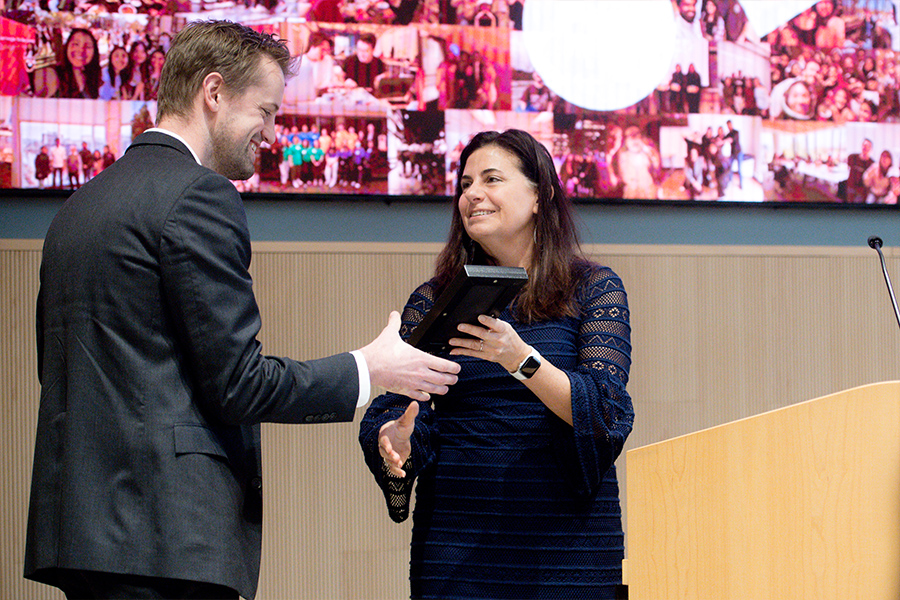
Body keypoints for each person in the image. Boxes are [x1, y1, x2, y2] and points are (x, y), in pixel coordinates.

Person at [24, 20, 460, 600]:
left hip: (83, 535)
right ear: (213, 92)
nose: (272, 132)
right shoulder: (201, 195)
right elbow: (238, 384)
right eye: (267, 111)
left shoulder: (79, 207)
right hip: (168, 539)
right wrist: (369, 369)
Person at [359, 129, 634, 599]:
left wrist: (520, 359)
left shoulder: (591, 287)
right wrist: (395, 439)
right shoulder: (433, 302)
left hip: (568, 546)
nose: (472, 195)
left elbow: (605, 411)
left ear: (539, 196)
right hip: (458, 543)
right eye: (465, 184)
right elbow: (400, 407)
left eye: (491, 179)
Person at [33, 28, 102, 99]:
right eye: (76, 44)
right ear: (67, 46)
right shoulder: (50, 74)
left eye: (87, 46)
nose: (81, 50)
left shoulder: (93, 79)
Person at [845, 138, 874, 203]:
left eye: (868, 146)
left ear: (871, 149)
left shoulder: (872, 164)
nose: (865, 147)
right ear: (861, 146)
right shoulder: (852, 157)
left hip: (862, 192)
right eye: (864, 145)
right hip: (850, 190)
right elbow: (847, 168)